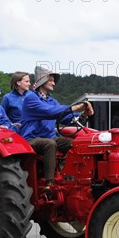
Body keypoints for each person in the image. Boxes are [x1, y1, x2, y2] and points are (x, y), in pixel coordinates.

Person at [20, 66, 94, 195]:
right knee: (50, 144)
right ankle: (50, 184)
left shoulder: (52, 101)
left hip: (50, 136)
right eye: (51, 80)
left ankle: (72, 177)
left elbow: (65, 117)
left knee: (75, 145)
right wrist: (76, 107)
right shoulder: (30, 98)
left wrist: (83, 114)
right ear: (43, 81)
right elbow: (49, 111)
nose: (54, 83)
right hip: (31, 138)